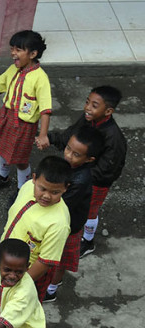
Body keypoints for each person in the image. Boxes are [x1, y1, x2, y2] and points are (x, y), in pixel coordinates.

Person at [44, 85, 127, 258]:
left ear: (108, 111)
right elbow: (71, 135)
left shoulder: (114, 138)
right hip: (78, 174)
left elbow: (107, 171)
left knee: (89, 211)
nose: (87, 108)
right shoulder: (88, 119)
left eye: (94, 105)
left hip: (96, 183)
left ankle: (87, 241)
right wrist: (50, 138)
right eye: (87, 102)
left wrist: (81, 178)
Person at [0, 30, 51, 190]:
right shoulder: (13, 69)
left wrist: (43, 134)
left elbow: (45, 109)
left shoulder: (41, 78)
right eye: (12, 48)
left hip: (24, 126)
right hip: (6, 118)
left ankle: (22, 190)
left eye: (18, 50)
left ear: (33, 54)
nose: (13, 53)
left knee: (21, 160)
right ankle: (3, 178)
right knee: (2, 151)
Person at [43, 126, 103, 301]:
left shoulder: (81, 179)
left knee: (60, 262)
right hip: (62, 223)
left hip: (69, 228)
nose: (68, 155)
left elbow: (62, 205)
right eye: (68, 149)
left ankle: (51, 290)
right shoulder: (68, 168)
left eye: (76, 154)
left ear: (89, 159)